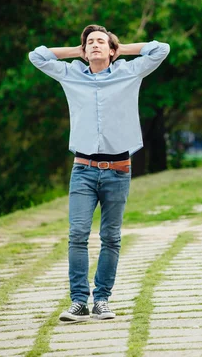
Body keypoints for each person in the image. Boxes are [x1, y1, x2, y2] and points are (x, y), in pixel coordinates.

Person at [29, 25, 170, 322]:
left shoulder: (128, 72)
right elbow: (37, 56)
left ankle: (102, 299)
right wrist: (75, 52)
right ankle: (79, 301)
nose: (94, 46)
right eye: (89, 42)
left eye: (100, 42)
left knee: (111, 237)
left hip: (118, 170)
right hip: (83, 170)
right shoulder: (71, 74)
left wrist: (121, 48)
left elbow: (161, 49)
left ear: (111, 50)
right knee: (77, 234)